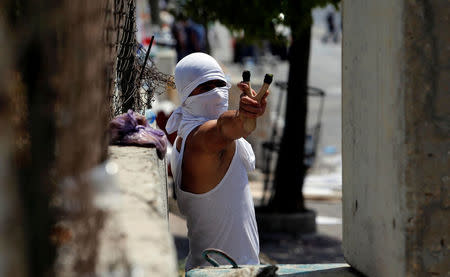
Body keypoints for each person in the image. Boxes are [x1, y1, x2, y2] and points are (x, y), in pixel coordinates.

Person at [165, 53, 269, 271]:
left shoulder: (183, 135)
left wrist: (244, 118)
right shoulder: (199, 141)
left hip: (221, 271)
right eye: (204, 87)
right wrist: (242, 117)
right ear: (186, 94)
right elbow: (223, 127)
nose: (215, 92)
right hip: (223, 273)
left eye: (219, 83)